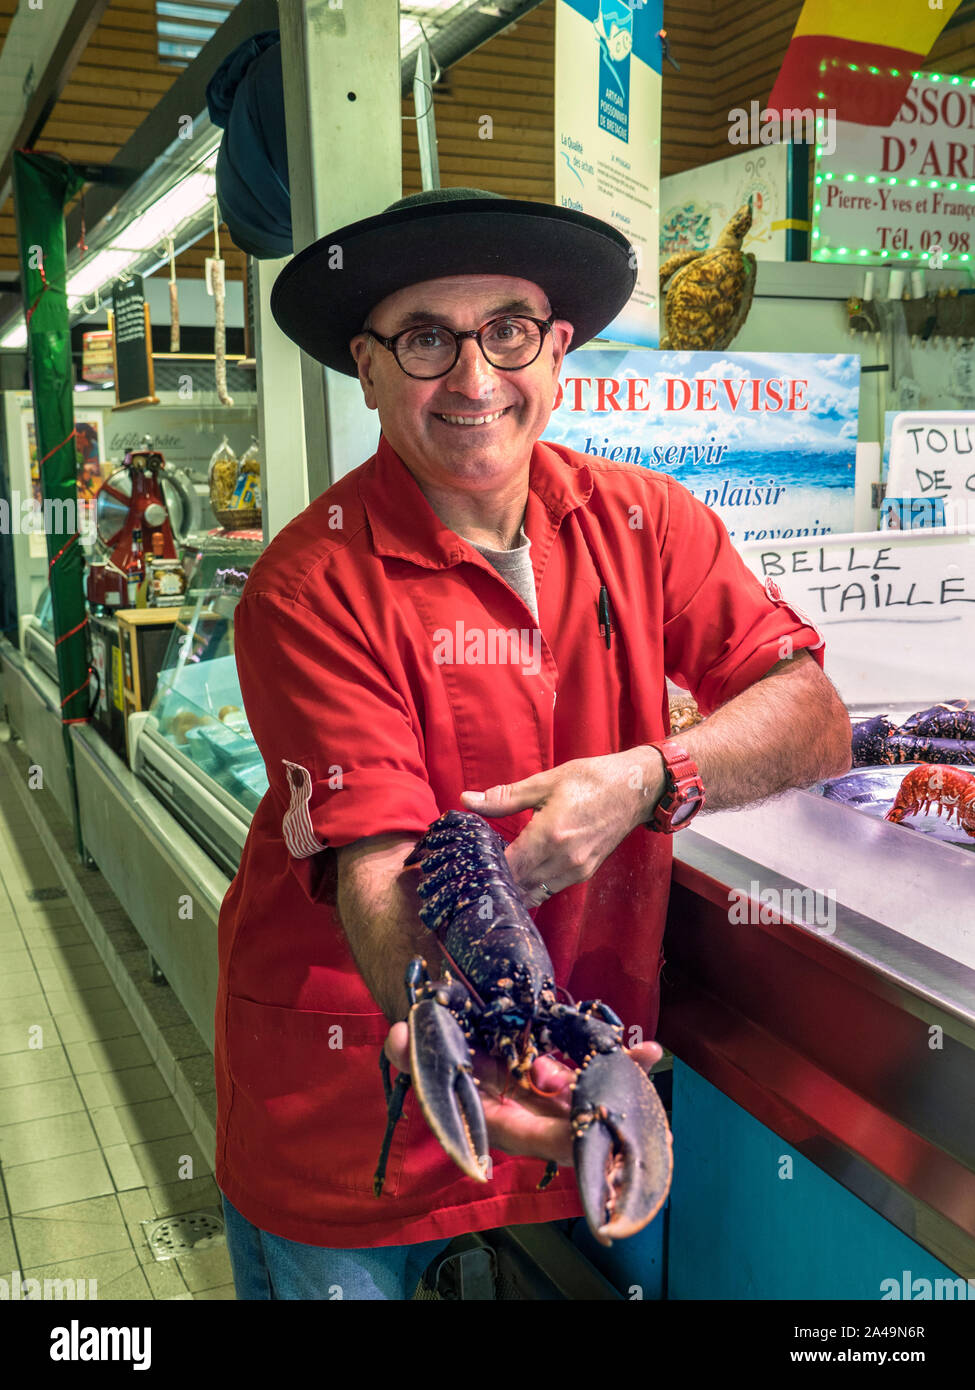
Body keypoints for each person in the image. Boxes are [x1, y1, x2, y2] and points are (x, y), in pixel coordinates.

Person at [214, 187, 852, 1300]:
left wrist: (655, 772)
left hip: (576, 1086)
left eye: (507, 330)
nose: (473, 379)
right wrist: (439, 1017)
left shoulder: (651, 521)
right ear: (365, 368)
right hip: (346, 1103)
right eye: (425, 338)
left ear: (557, 352)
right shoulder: (307, 585)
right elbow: (377, 860)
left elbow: (811, 711)